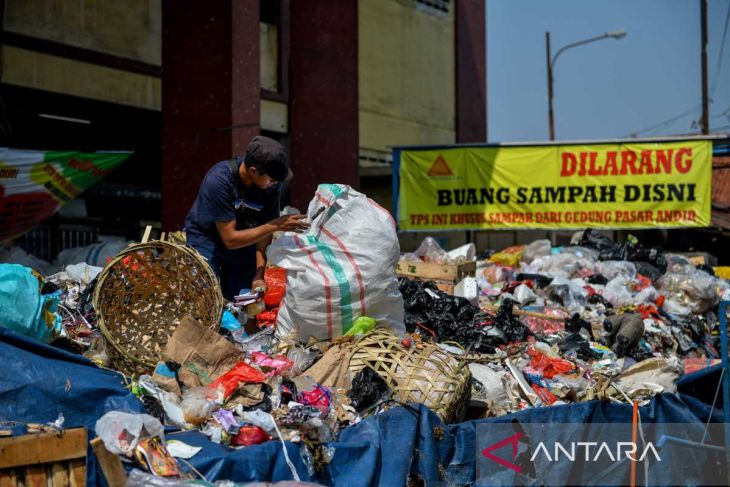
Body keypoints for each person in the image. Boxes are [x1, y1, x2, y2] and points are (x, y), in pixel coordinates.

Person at [184, 136, 308, 299]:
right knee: (208, 293)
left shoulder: (271, 188)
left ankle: (236, 324)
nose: (275, 184)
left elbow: (263, 235)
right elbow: (230, 239)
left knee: (243, 298)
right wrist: (275, 225)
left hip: (244, 239)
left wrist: (259, 275)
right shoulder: (219, 180)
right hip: (207, 238)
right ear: (253, 171)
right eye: (271, 179)